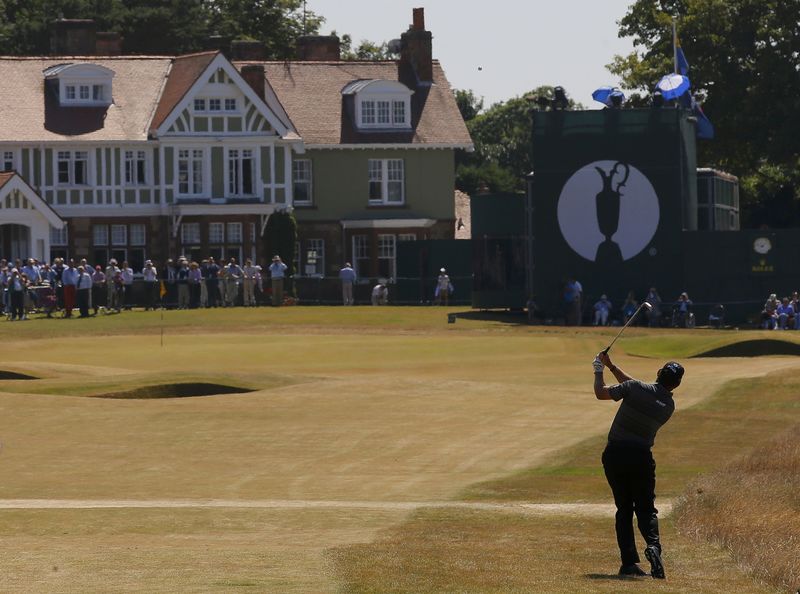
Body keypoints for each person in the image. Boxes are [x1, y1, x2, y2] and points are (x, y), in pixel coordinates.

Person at [593, 351, 685, 579]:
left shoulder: (635, 389)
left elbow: (601, 393)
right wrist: (612, 367)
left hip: (615, 455)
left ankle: (628, 564)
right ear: (676, 385)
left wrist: (599, 370)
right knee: (646, 508)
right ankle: (654, 547)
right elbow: (637, 387)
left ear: (658, 373)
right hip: (641, 459)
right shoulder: (667, 405)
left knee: (624, 509)